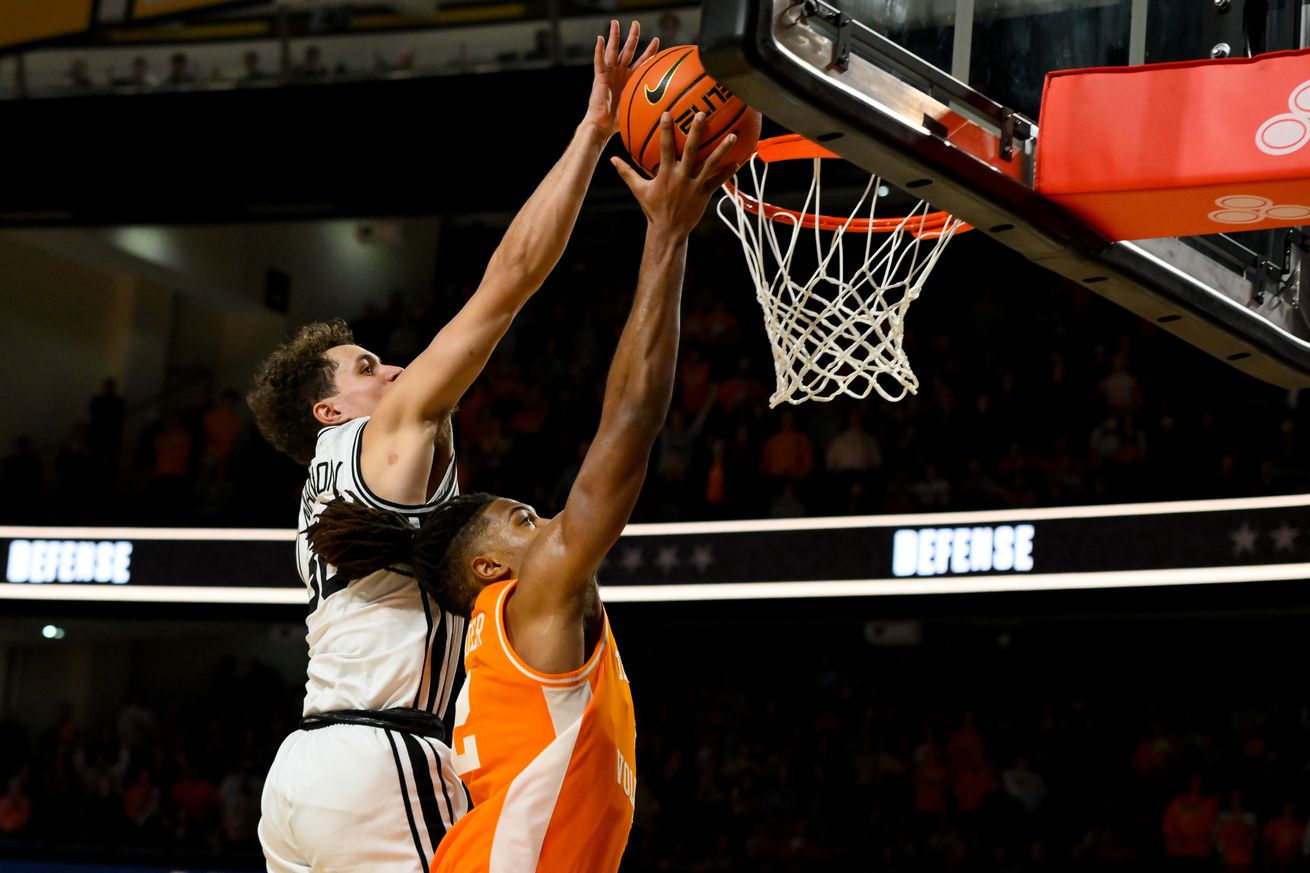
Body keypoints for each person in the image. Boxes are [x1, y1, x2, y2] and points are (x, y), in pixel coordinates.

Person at [248, 21, 660, 873]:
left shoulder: (325, 493)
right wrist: (592, 132)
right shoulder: (384, 436)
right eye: (367, 366)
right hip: (379, 761)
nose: (394, 368)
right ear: (330, 411)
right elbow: (507, 282)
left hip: (301, 776)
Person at [305, 113, 741, 872]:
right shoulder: (529, 604)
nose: (547, 524)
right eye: (525, 519)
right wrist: (667, 234)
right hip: (376, 765)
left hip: (330, 769)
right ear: (488, 572)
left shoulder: (346, 479)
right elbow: (629, 419)